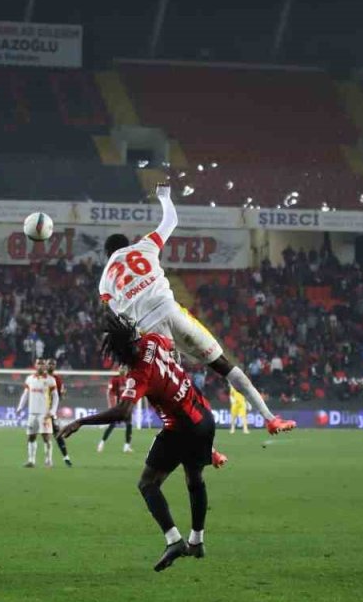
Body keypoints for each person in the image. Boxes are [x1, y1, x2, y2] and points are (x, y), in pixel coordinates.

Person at [60, 313, 268, 572]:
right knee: (194, 479)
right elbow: (173, 350)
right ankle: (197, 540)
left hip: (180, 429)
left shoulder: (138, 375)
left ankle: (174, 540)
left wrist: (81, 422)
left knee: (147, 484)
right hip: (204, 416)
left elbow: (123, 412)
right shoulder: (153, 341)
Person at [98, 183, 294, 436]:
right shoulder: (143, 246)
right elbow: (171, 219)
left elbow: (119, 321)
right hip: (172, 311)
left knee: (173, 391)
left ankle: (202, 445)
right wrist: (164, 196)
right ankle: (269, 418)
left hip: (150, 332)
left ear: (107, 255)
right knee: (224, 365)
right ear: (126, 244)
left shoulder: (105, 281)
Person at [17, 359, 59, 467]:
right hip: (32, 413)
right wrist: (20, 407)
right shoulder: (30, 379)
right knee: (31, 437)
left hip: (44, 414)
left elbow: (56, 397)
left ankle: (48, 460)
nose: (40, 366)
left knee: (46, 437)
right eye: (38, 364)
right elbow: (25, 394)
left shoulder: (50, 380)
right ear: (35, 365)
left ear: (45, 366)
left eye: (42, 364)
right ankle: (31, 461)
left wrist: (52, 411)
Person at [99, 366, 135, 452]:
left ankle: (126, 446)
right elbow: (110, 392)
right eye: (121, 368)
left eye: (124, 368)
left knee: (129, 425)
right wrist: (111, 404)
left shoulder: (129, 380)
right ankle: (102, 442)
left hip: (128, 406)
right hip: (119, 406)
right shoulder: (115, 380)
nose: (122, 370)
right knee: (112, 424)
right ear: (119, 370)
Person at [45, 358, 74, 466]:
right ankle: (33, 459)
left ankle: (66, 458)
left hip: (50, 412)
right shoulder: (40, 378)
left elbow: (59, 397)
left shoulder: (57, 379)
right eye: (49, 364)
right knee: (34, 435)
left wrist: (62, 395)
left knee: (57, 434)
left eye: (53, 364)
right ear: (46, 365)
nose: (51, 366)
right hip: (39, 410)